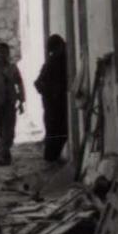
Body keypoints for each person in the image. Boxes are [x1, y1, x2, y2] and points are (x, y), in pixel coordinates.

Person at [0, 42, 26, 166]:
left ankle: (4, 151)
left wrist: (21, 100)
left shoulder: (13, 68)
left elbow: (20, 84)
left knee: (9, 130)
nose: (3, 55)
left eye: (6, 52)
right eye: (1, 53)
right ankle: (2, 154)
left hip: (10, 102)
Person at [35, 34, 69, 163]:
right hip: (54, 103)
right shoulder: (53, 62)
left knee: (55, 130)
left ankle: (52, 157)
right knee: (55, 130)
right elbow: (38, 83)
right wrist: (51, 93)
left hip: (55, 102)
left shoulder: (56, 60)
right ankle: (51, 157)